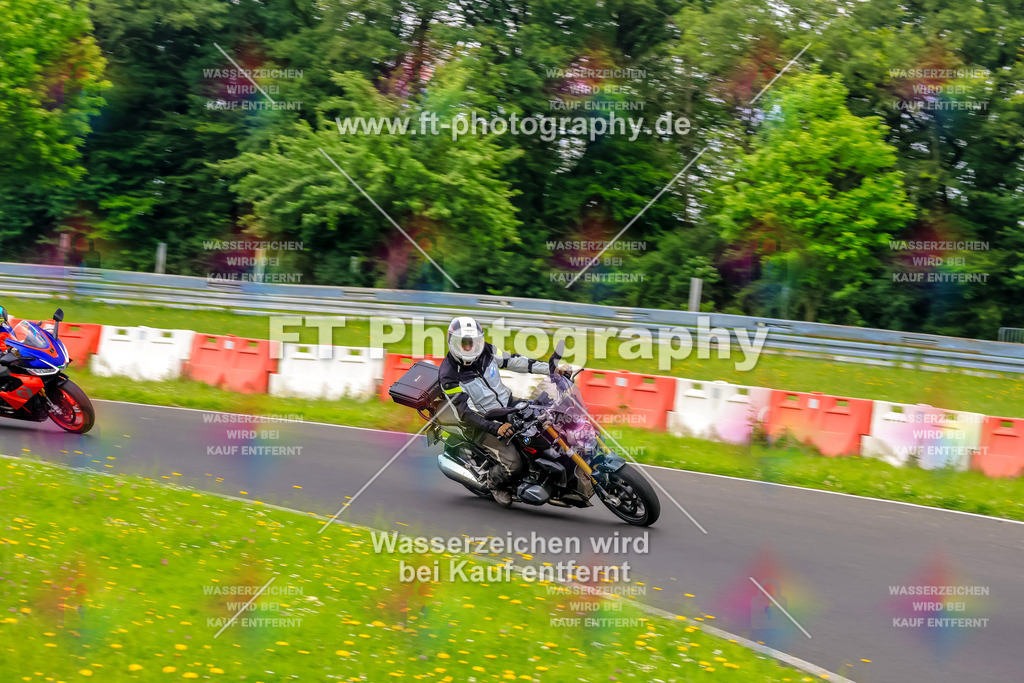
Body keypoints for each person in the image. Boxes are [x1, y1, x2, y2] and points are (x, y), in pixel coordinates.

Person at [438, 316, 567, 508]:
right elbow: (465, 414)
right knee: (514, 464)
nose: (470, 348)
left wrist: (551, 370)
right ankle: (494, 483)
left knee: (550, 419)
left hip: (508, 405)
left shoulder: (487, 351)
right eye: (464, 343)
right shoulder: (449, 375)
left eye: (473, 343)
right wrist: (495, 428)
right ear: (453, 342)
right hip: (480, 424)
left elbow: (515, 361)